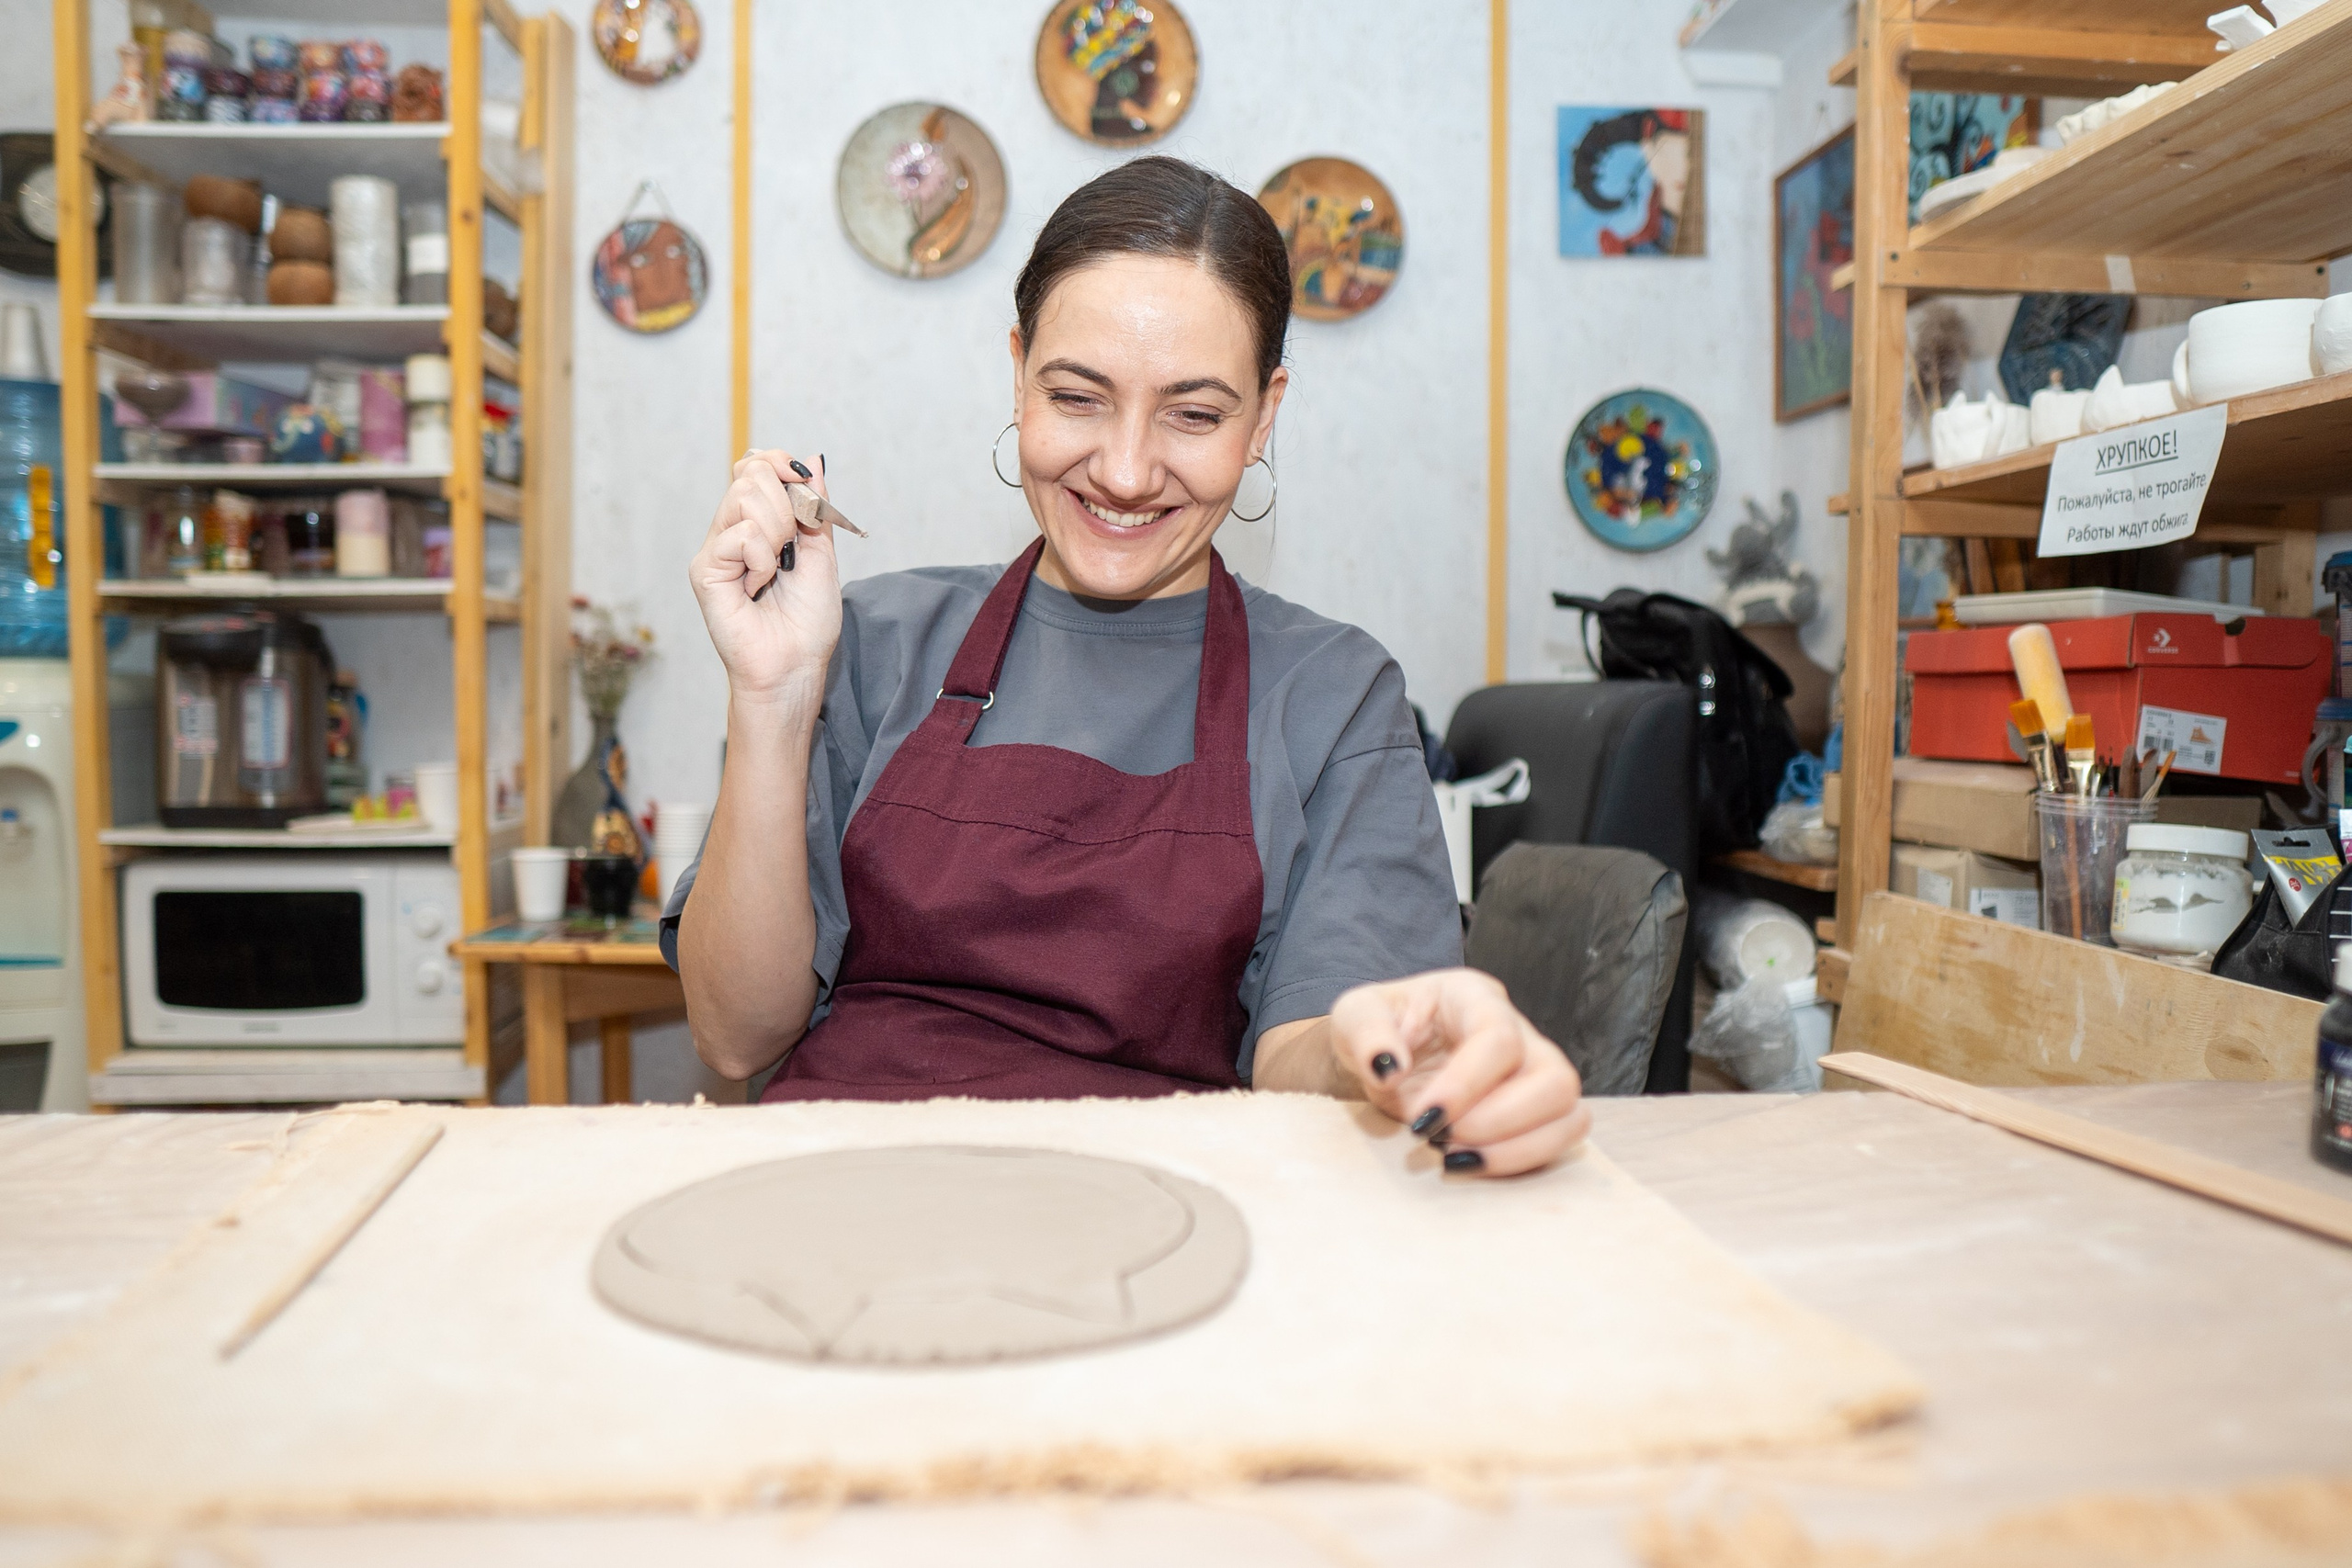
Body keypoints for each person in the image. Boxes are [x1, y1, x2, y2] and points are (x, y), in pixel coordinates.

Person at [668, 157, 1588, 1178]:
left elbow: (1306, 1048)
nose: (1123, 470)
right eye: (1076, 397)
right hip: (836, 1188)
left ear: (1263, 416)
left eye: (1194, 415)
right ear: (1018, 373)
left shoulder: (1330, 694)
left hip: (1162, 1230)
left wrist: (1380, 1047)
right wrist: (773, 696)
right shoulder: (871, 641)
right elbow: (737, 1035)